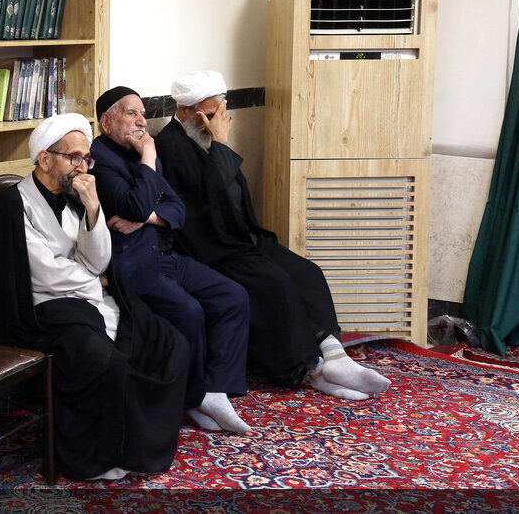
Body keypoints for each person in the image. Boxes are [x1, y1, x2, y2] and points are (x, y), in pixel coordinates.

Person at [0, 113, 190, 481]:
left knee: (168, 342)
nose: (82, 166)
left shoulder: (75, 197)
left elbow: (98, 260)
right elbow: (45, 273)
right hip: (41, 311)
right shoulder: (15, 204)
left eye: (86, 158)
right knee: (102, 359)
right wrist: (96, 283)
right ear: (45, 159)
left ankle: (138, 446)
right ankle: (94, 458)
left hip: (84, 300)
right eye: (74, 157)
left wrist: (94, 209)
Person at [156, 70, 392, 400]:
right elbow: (213, 194)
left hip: (241, 236)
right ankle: (309, 368)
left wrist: (217, 141)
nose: (216, 122)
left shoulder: (202, 135)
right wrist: (221, 142)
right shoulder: (171, 146)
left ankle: (335, 355)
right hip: (211, 247)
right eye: (208, 115)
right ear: (184, 111)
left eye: (220, 113)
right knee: (274, 283)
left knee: (308, 273)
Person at [89, 88, 252, 434]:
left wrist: (146, 217)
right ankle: (192, 397)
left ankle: (215, 389)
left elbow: (177, 209)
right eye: (131, 113)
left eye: (142, 113)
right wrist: (148, 157)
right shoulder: (100, 159)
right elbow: (134, 205)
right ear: (106, 122)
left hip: (165, 254)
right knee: (188, 311)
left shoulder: (138, 151)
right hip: (131, 263)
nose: (141, 121)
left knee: (232, 295)